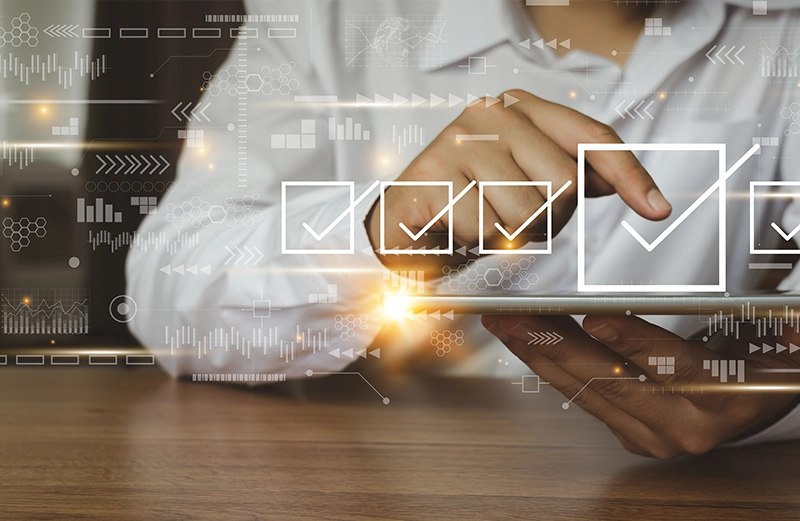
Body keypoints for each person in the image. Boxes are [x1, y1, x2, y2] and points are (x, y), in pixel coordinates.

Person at [127, 0, 800, 459]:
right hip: (369, 472)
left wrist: (786, 368)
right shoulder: (329, 15)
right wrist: (379, 231)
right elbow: (170, 294)